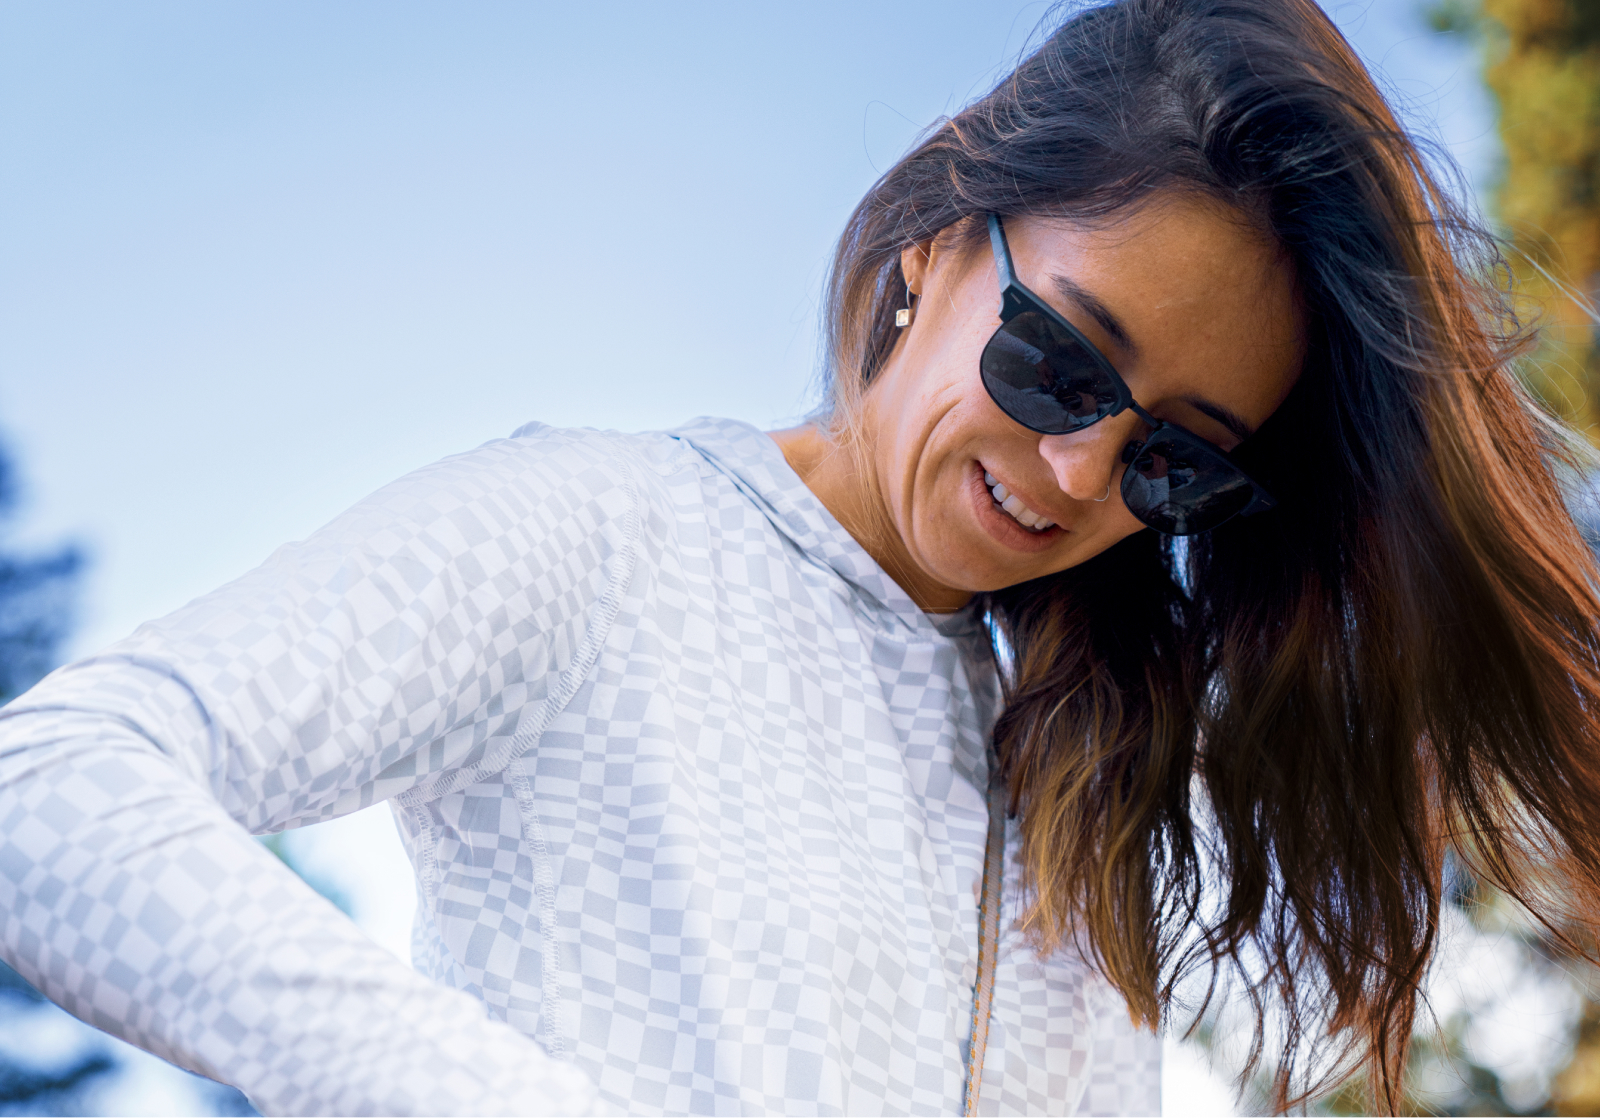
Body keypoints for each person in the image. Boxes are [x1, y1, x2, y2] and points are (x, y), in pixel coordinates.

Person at [5, 0, 1600, 1113]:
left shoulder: (1076, 771)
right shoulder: (601, 534)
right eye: (1061, 362)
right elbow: (53, 789)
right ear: (933, 242)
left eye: (1174, 459)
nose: (1076, 472)